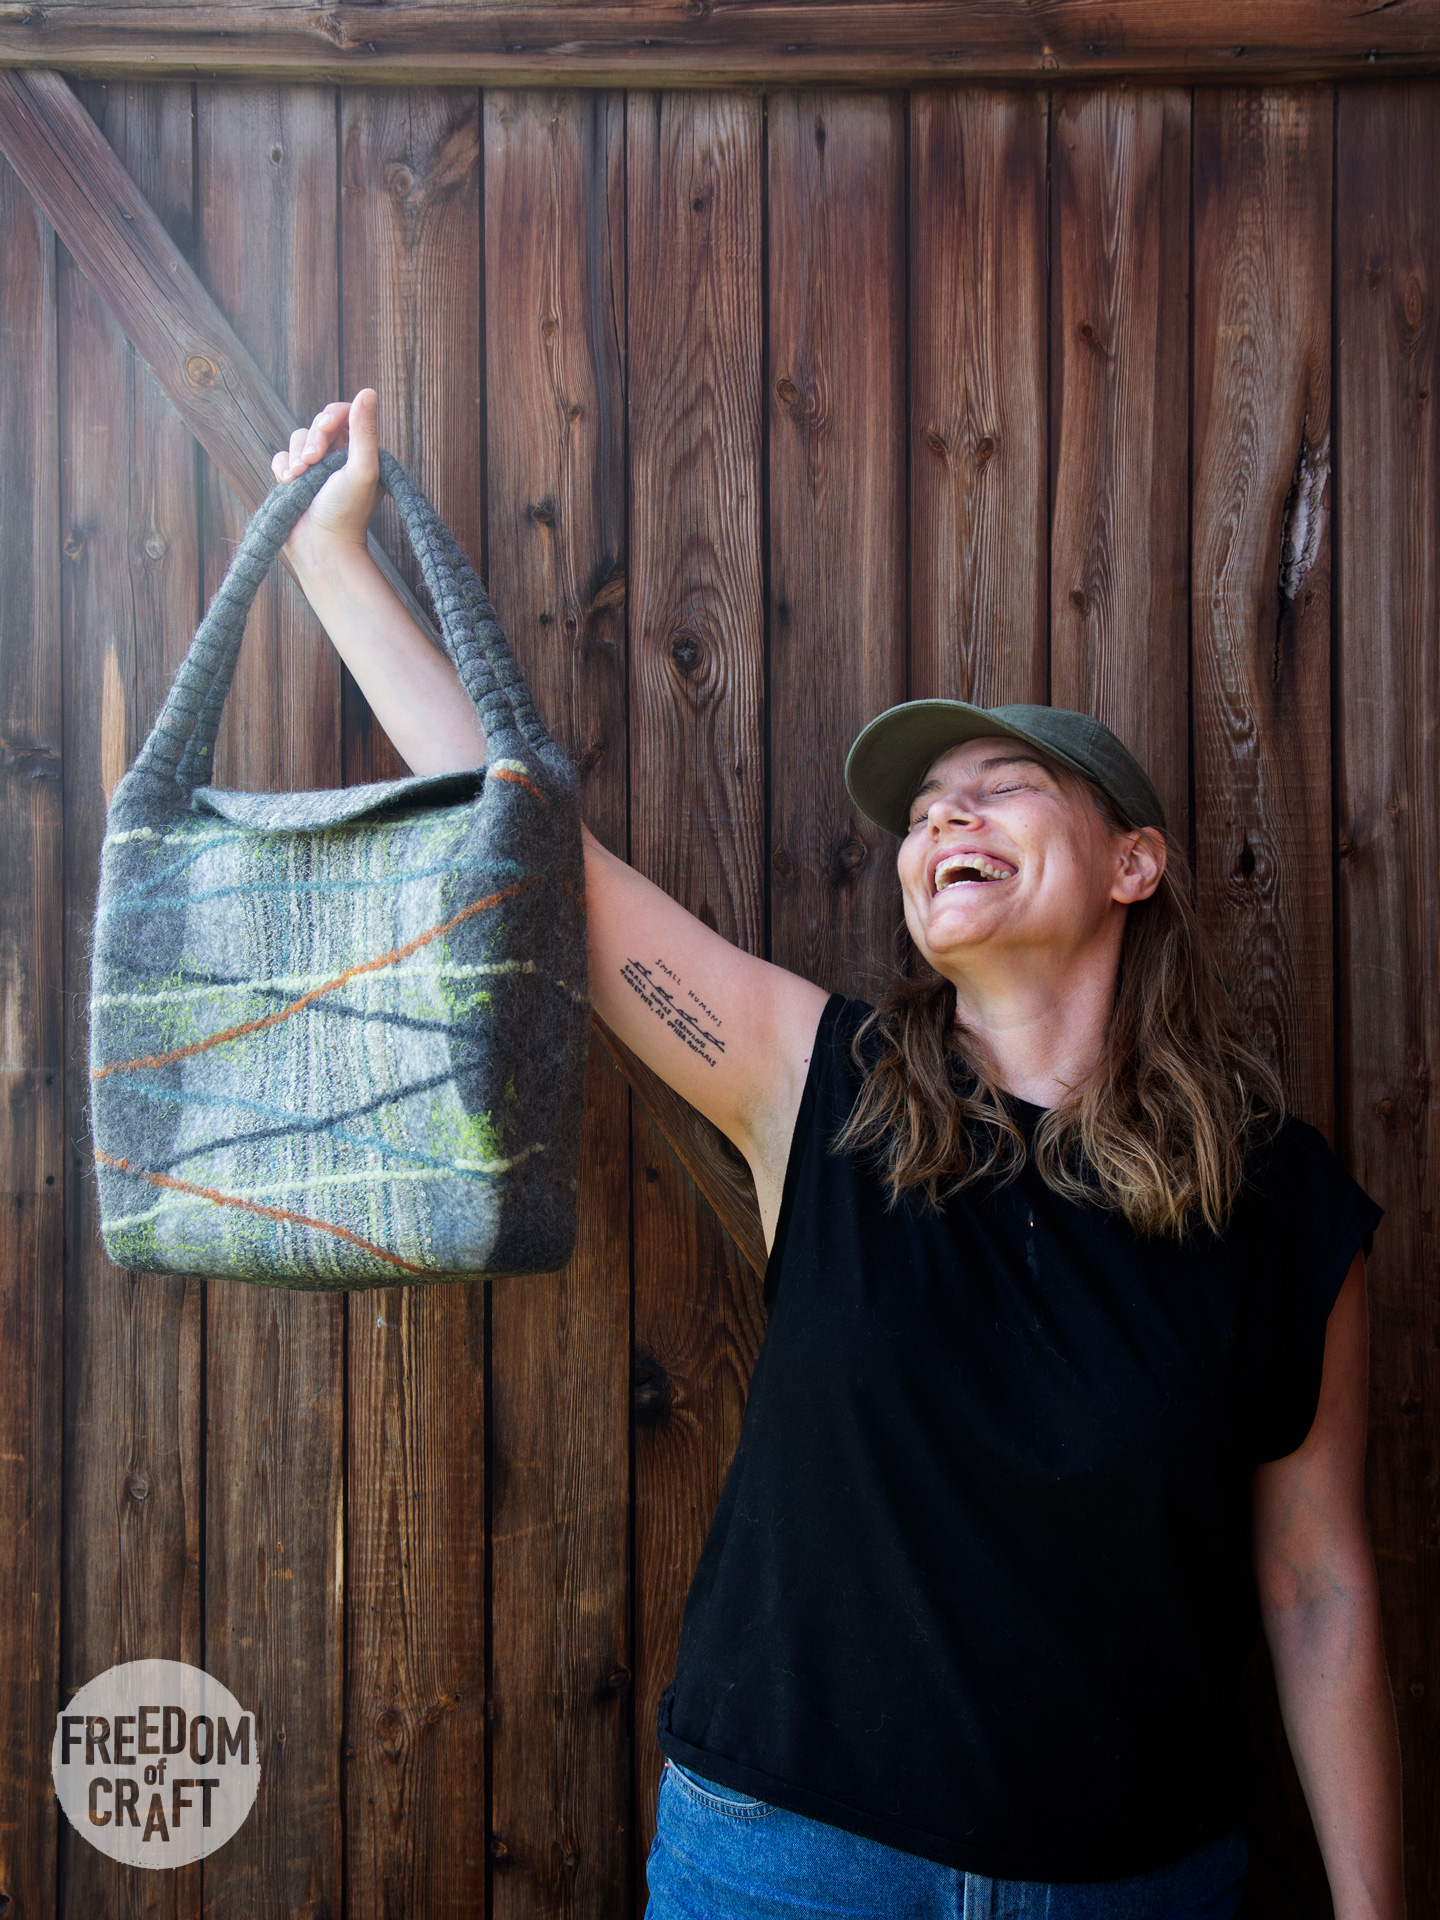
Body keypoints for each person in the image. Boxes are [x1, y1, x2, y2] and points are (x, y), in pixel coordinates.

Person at [272, 391, 1406, 1920]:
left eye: (1001, 786)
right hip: (792, 1863)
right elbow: (533, 852)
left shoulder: (1282, 1203)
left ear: (1135, 863)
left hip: (1133, 1883)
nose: (945, 818)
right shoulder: (824, 1083)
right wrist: (332, 559)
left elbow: (1319, 1585)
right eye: (925, 811)